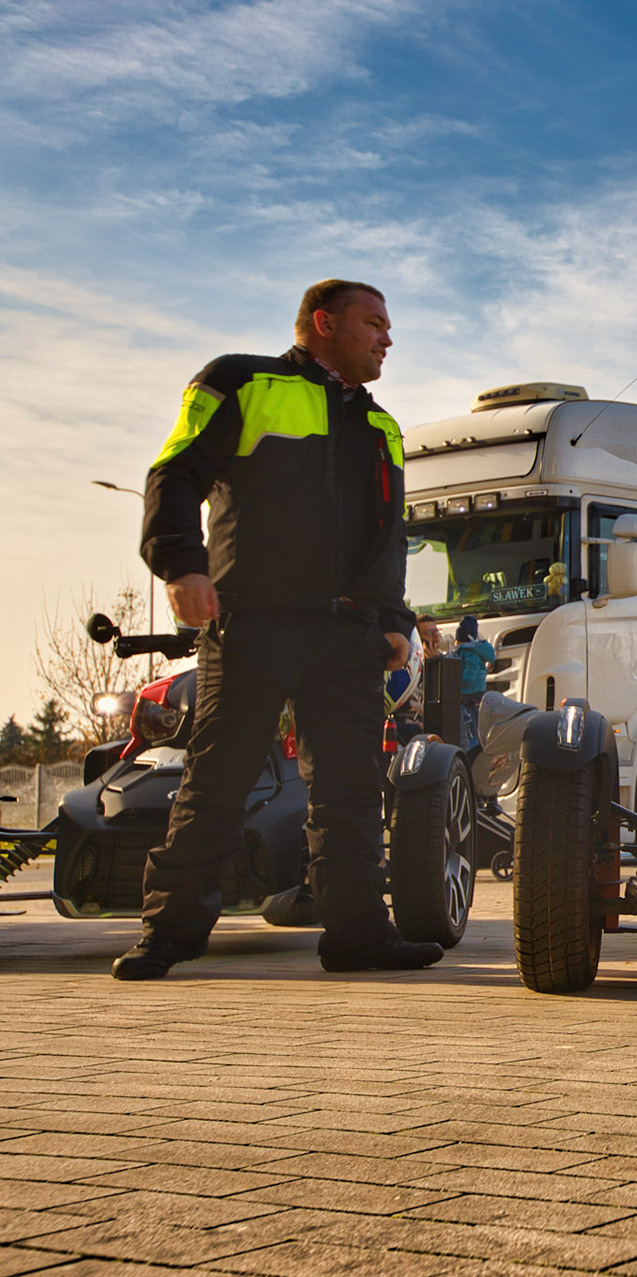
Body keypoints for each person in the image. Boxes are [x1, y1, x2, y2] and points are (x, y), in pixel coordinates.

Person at [115, 279, 443, 980]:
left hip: (349, 634)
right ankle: (167, 935)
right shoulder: (239, 382)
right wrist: (182, 564)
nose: (387, 338)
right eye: (373, 323)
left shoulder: (382, 426)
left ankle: (358, 935)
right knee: (217, 780)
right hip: (252, 624)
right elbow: (174, 472)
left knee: (351, 790)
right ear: (323, 322)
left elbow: (387, 536)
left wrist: (393, 620)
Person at [451, 615, 494, 748]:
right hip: (474, 690)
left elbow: (471, 670)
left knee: (471, 717)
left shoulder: (469, 652)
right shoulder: (470, 650)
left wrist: (462, 687)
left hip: (471, 691)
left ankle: (475, 741)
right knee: (474, 715)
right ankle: (477, 738)